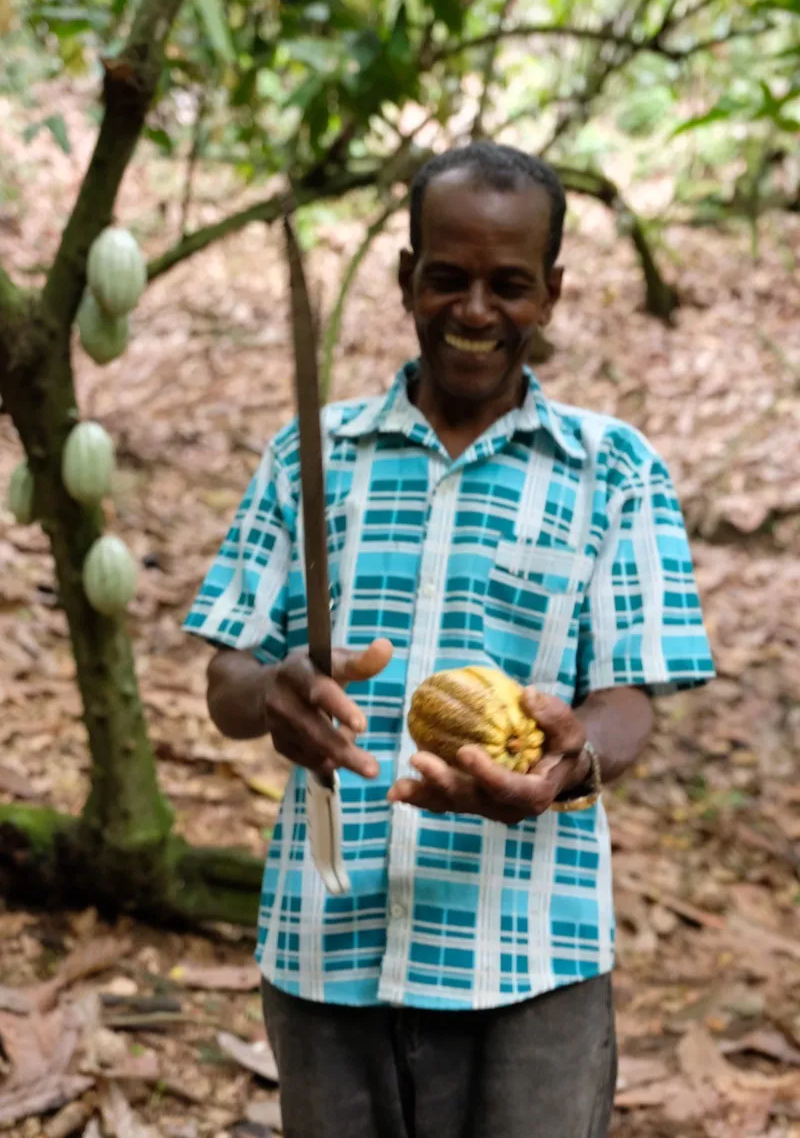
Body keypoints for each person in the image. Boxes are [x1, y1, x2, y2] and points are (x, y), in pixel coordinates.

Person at [183, 141, 714, 1138]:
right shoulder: (310, 456)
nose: (473, 312)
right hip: (325, 947)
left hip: (529, 963)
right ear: (404, 279)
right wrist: (275, 697)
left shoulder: (614, 472)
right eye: (446, 279)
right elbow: (227, 676)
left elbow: (630, 697)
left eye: (507, 284)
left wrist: (568, 762)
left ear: (549, 293)